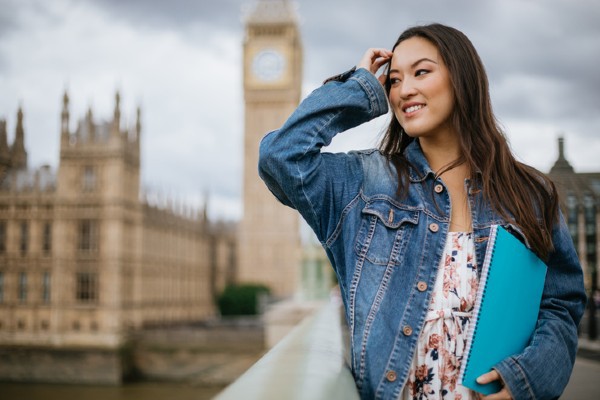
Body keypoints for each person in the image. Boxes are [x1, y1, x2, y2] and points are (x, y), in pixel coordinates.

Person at [258, 23, 586, 400]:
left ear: (461, 78)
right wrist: (361, 88)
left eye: (422, 72)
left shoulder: (530, 194)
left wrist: (523, 381)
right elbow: (279, 157)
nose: (404, 90)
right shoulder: (363, 186)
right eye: (393, 80)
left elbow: (561, 306)